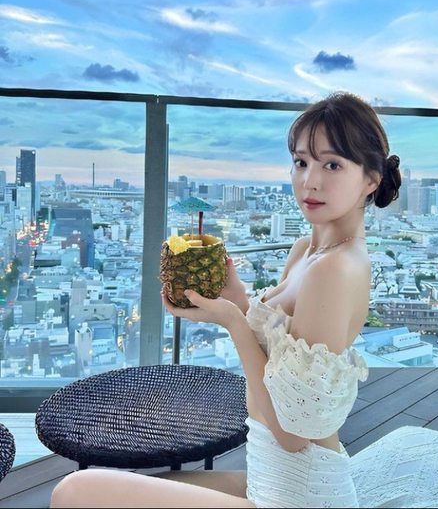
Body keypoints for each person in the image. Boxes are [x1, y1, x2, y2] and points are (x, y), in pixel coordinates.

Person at [51, 91, 401, 509]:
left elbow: (293, 434)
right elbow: (281, 355)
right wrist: (238, 300)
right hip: (270, 474)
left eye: (332, 165)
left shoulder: (336, 268)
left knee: (74, 491)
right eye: (301, 162)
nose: (310, 180)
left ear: (371, 179)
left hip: (300, 493)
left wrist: (234, 321)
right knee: (139, 485)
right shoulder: (305, 251)